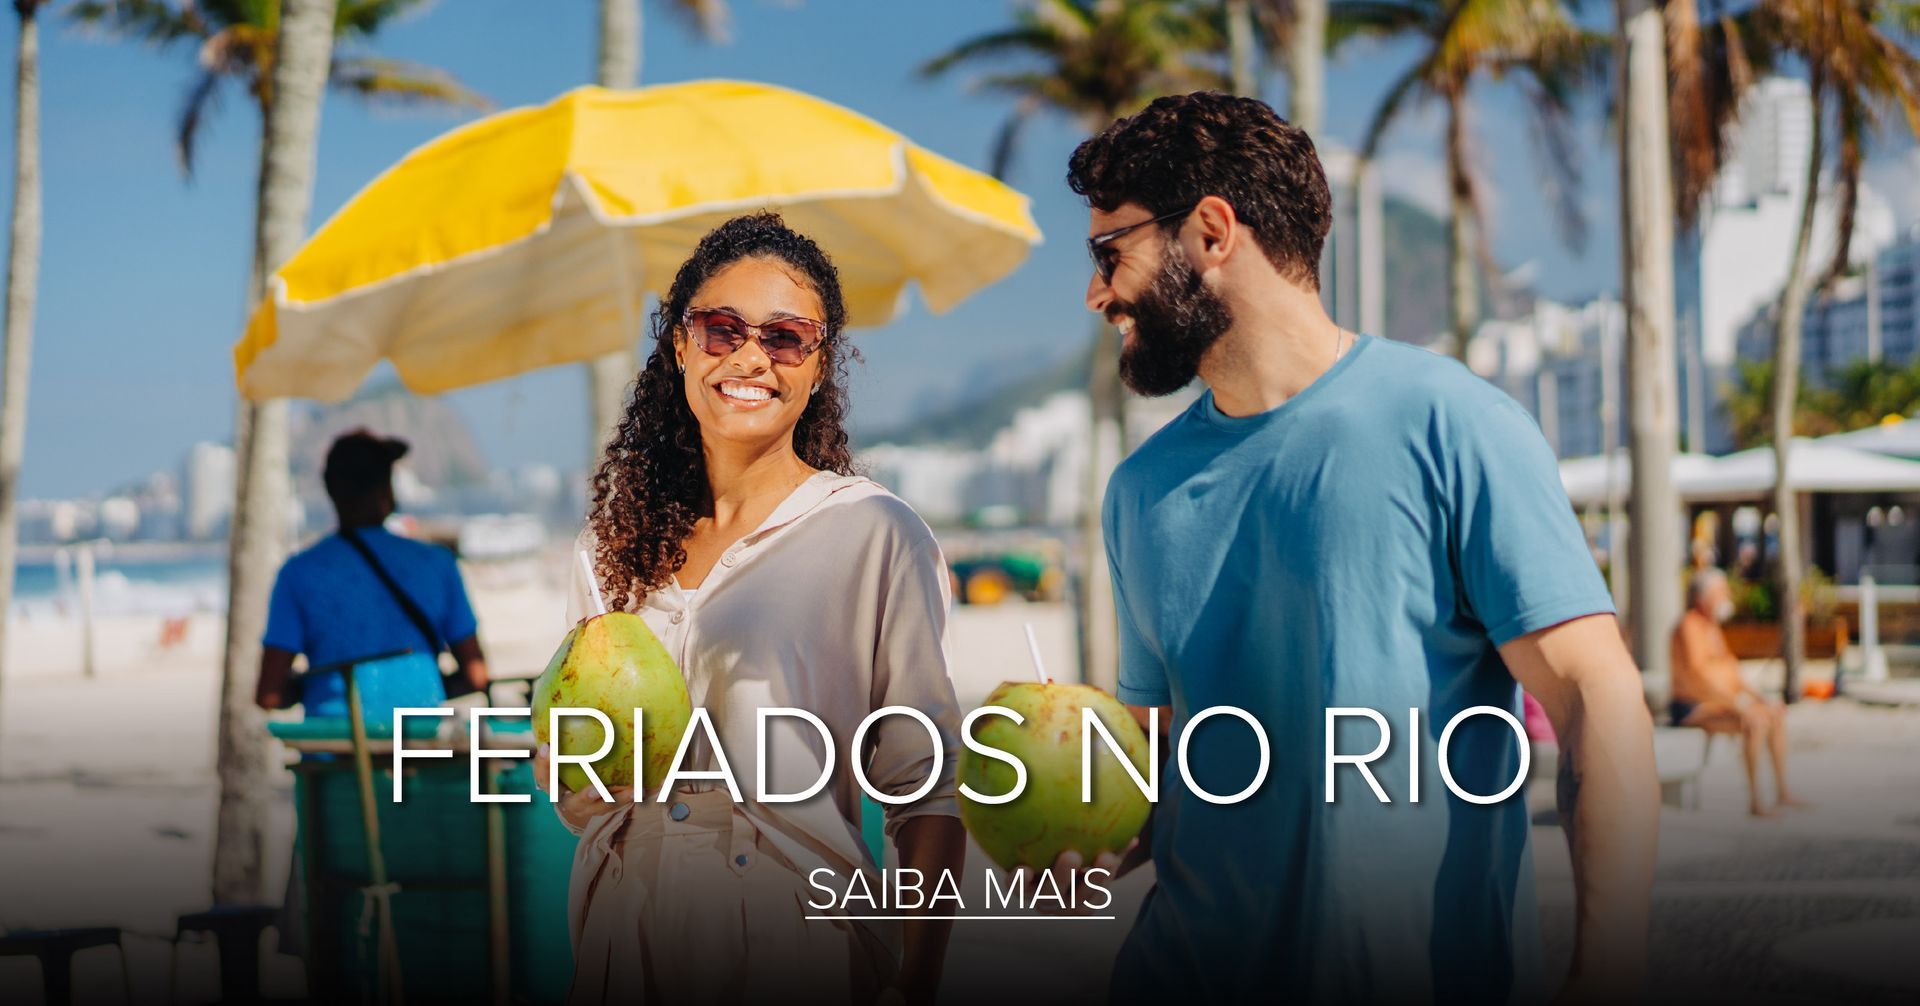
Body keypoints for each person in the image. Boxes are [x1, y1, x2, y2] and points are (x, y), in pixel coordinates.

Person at [1041, 92, 1660, 1002]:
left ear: (1212, 231)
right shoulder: (1142, 491)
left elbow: (1595, 695)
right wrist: (1075, 828)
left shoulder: (1452, 423)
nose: (1097, 292)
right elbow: (1169, 767)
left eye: (1110, 253)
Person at [535, 213, 967, 1005]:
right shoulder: (607, 546)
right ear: (678, 346)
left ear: (818, 364)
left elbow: (925, 789)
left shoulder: (871, 532)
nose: (748, 356)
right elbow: (581, 784)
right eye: (720, 328)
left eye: (785, 337)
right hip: (621, 935)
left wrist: (919, 980)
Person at [255, 429, 488, 715]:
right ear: (387, 490)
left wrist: (323, 682)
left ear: (331, 491)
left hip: (336, 752)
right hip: (422, 747)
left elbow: (269, 694)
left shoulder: (298, 573)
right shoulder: (437, 563)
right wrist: (422, 685)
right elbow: (476, 675)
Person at [1670, 568, 1805, 816]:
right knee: (1753, 720)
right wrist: (1738, 704)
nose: (1726, 596)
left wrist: (1761, 699)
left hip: (1721, 702)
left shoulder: (1712, 629)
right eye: (1720, 591)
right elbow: (1696, 677)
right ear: (1702, 597)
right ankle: (1756, 801)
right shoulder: (1689, 626)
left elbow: (1733, 674)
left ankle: (1782, 791)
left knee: (1774, 714)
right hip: (1693, 707)